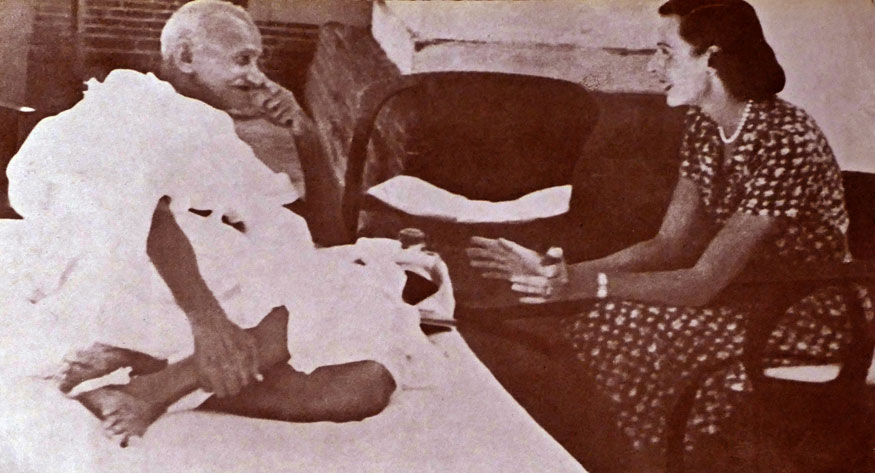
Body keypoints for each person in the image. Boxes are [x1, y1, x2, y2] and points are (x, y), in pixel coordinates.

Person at [0, 0, 436, 447]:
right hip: (148, 280)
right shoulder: (133, 103)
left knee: (366, 384)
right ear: (186, 57)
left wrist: (304, 133)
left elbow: (327, 237)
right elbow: (144, 210)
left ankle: (153, 380)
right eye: (242, 59)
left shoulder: (211, 130)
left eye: (258, 61)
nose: (257, 75)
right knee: (360, 282)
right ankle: (157, 371)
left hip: (207, 281)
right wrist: (208, 322)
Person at [467, 0, 872, 470]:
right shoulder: (705, 124)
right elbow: (669, 245)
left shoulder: (786, 139)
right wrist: (561, 272)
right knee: (603, 323)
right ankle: (617, 458)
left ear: (712, 58)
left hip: (800, 311)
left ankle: (651, 462)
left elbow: (702, 282)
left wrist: (582, 284)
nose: (653, 67)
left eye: (666, 52)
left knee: (631, 328)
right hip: (738, 295)